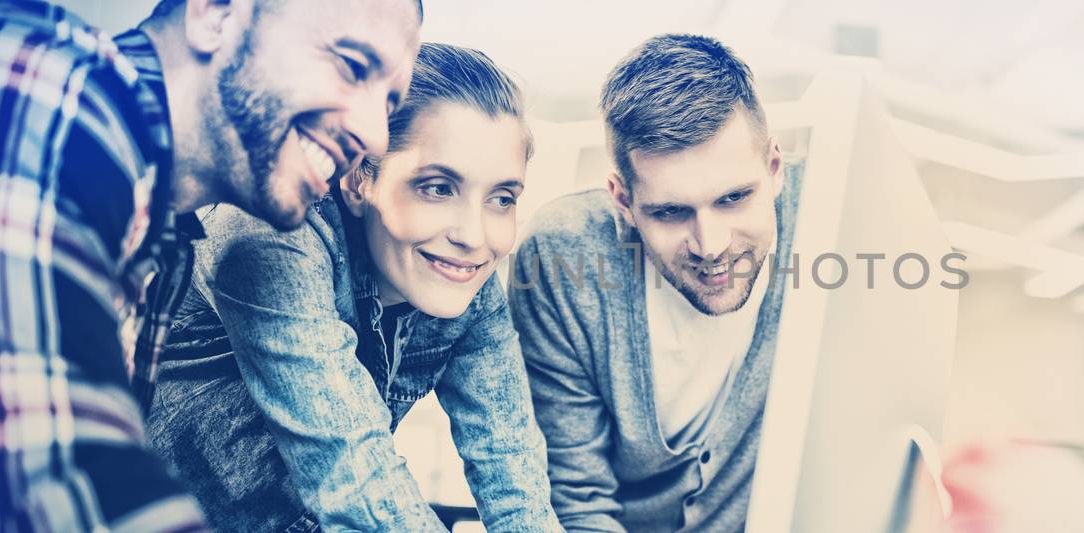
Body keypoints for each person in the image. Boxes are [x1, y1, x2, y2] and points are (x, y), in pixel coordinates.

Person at [0, 0, 419, 530]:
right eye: (351, 65)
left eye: (389, 106)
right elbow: (38, 483)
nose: (376, 136)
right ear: (214, 14)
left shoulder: (164, 244)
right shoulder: (42, 93)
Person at [145, 43, 560, 532]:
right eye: (437, 187)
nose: (474, 236)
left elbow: (514, 472)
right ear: (360, 178)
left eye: (502, 198)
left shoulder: (466, 279)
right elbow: (353, 475)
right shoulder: (269, 233)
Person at [510, 33, 802, 532]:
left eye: (733, 198)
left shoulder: (835, 221)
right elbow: (576, 499)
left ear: (774, 168)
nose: (711, 245)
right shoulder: (559, 260)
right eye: (671, 212)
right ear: (621, 199)